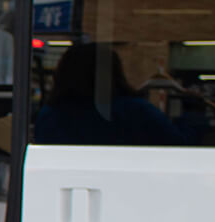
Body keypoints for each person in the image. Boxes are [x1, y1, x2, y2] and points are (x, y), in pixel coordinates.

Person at [35, 42, 194, 146]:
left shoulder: (50, 116)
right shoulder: (136, 112)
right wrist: (192, 114)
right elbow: (177, 145)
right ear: (113, 73)